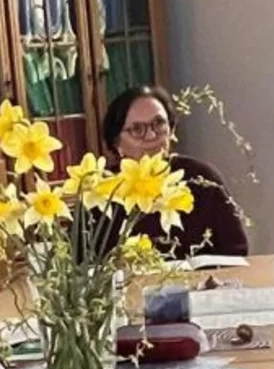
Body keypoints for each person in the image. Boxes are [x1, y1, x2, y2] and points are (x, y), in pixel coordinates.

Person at [102, 85, 250, 258]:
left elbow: (237, 251)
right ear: (117, 143)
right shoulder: (103, 190)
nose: (151, 136)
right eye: (137, 129)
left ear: (171, 130)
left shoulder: (202, 178)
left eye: (158, 124)